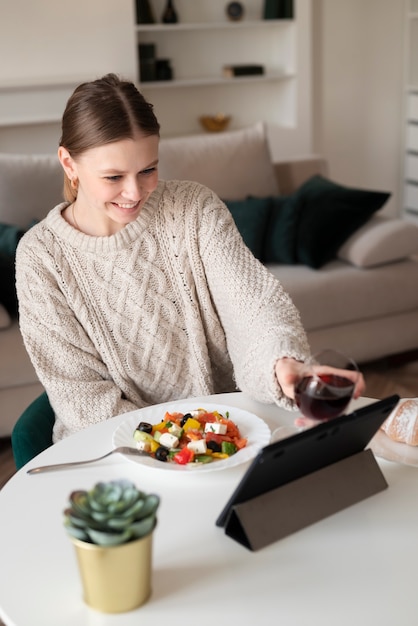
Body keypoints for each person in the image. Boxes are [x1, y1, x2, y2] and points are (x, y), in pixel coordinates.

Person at [15, 74, 364, 442]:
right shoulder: (40, 257)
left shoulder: (194, 209)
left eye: (148, 169)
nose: (134, 192)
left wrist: (283, 364)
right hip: (115, 447)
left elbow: (253, 306)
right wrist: (178, 443)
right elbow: (82, 397)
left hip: (226, 431)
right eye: (114, 176)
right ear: (69, 164)